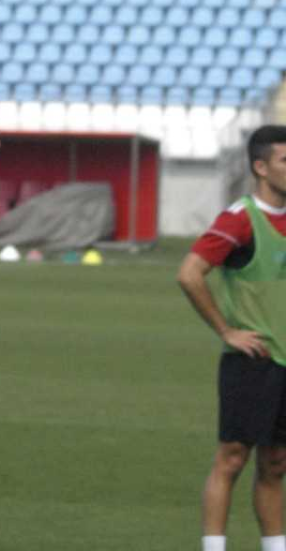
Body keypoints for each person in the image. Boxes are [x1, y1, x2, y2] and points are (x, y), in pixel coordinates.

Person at [177, 125, 286, 551]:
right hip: (254, 360)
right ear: (260, 167)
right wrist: (227, 330)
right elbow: (189, 274)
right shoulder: (239, 218)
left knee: (275, 464)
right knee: (232, 459)